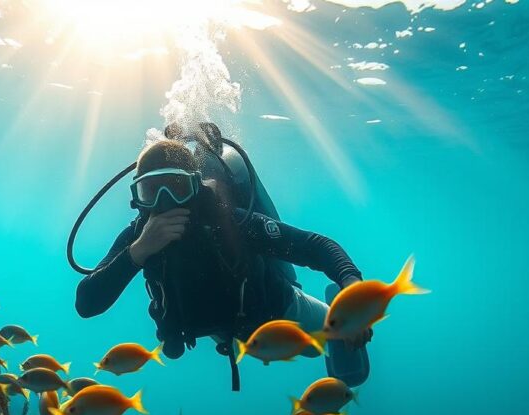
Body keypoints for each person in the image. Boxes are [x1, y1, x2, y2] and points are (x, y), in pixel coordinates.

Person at [74, 129, 370, 389]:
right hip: (221, 331)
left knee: (314, 347)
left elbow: (315, 246)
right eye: (151, 190)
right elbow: (86, 303)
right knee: (300, 349)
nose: (164, 203)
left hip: (278, 310)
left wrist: (352, 291)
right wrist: (138, 251)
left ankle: (333, 308)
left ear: (195, 187)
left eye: (176, 188)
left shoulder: (229, 223)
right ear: (138, 197)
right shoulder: (138, 237)